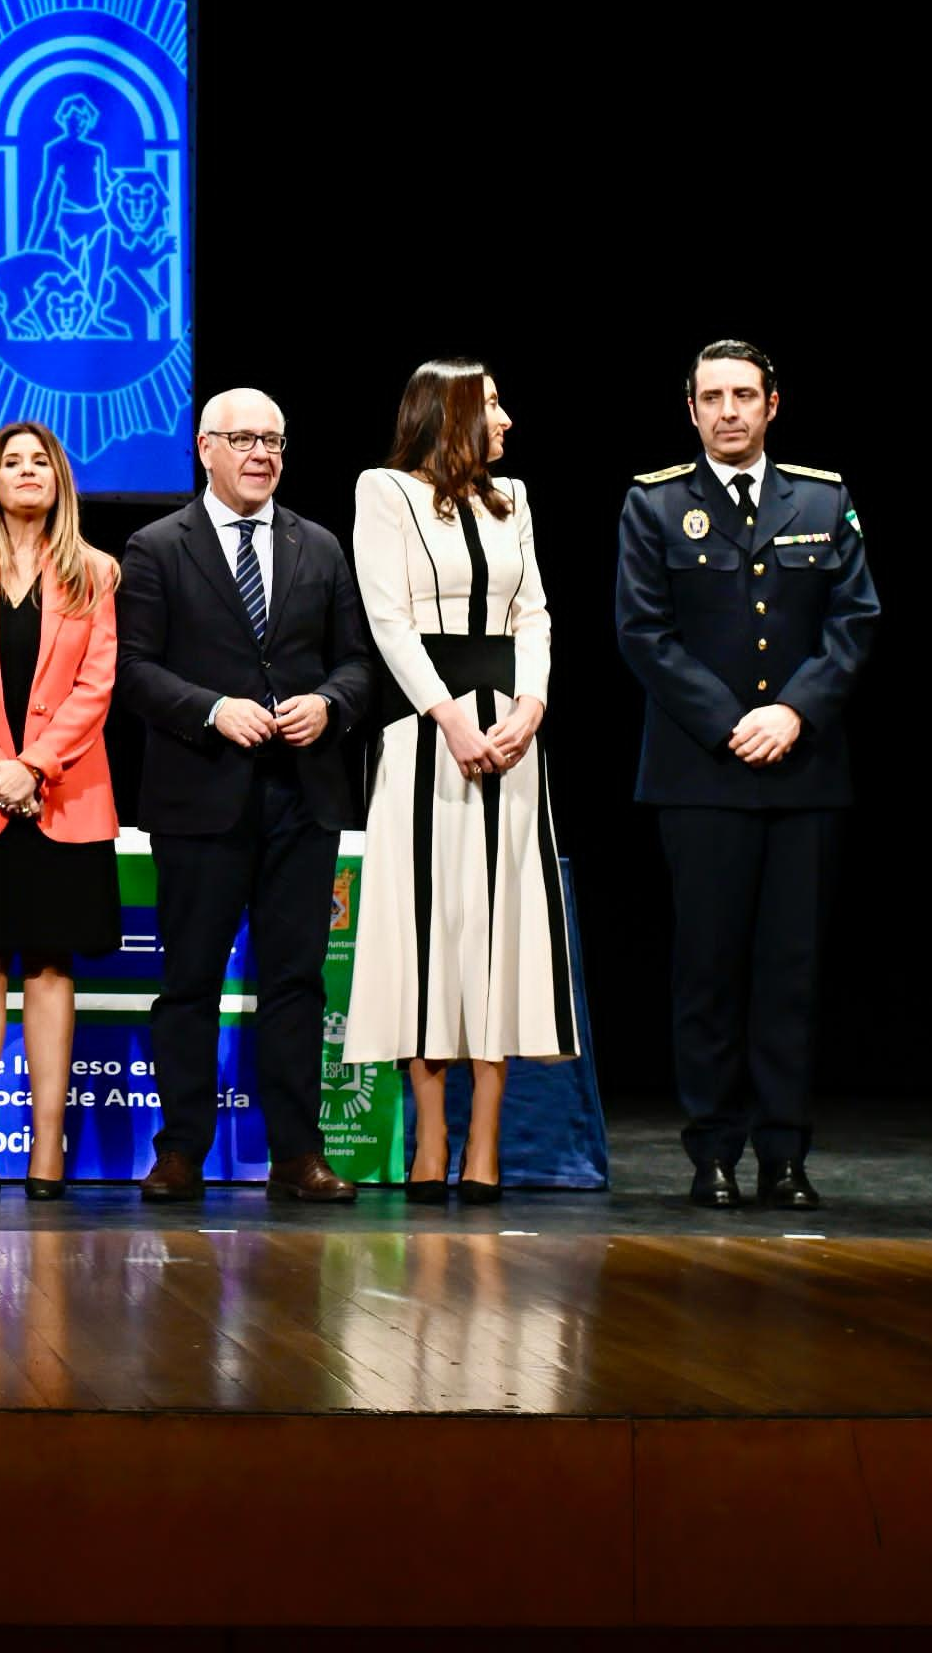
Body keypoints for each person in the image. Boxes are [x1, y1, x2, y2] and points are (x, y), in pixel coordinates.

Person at [615, 339, 879, 1210]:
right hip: (702, 774)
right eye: (711, 397)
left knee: (790, 971)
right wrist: (735, 722)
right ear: (690, 410)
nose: (728, 411)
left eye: (743, 395)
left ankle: (786, 1152)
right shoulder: (654, 505)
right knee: (709, 969)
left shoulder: (822, 496)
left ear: (773, 404)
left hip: (803, 772)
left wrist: (793, 712)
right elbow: (643, 634)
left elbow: (855, 621)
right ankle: (714, 1151)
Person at [115, 388, 378, 1203]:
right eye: (244, 439)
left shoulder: (322, 546)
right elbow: (133, 670)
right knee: (190, 979)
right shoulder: (157, 546)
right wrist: (212, 710)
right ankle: (182, 1152)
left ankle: (298, 1155)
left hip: (303, 796)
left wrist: (330, 703)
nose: (261, 454)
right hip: (201, 797)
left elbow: (360, 663)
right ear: (205, 448)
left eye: (274, 440)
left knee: (296, 980)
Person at [344, 361, 573, 1206]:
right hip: (425, 734)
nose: (507, 419)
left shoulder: (514, 499)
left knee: (500, 923)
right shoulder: (385, 492)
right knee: (430, 921)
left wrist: (532, 708)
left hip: (512, 736)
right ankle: (431, 1130)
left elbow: (535, 614)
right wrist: (449, 718)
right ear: (450, 414)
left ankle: (486, 1140)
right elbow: (390, 620)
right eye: (494, 404)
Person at [0, 421, 122, 1200]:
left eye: (42, 462)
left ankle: (46, 1152)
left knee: (50, 960)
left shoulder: (97, 573)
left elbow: (96, 684)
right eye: (15, 462)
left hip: (64, 796)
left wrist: (33, 766)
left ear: (60, 481)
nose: (29, 472)